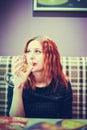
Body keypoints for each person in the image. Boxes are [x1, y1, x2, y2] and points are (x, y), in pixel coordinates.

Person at [7, 36, 73, 118]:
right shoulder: (16, 81)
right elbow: (14, 121)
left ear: (51, 57)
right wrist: (18, 87)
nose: (30, 56)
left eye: (37, 51)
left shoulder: (63, 84)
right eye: (28, 51)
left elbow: (67, 119)